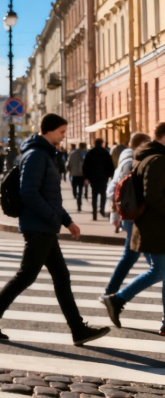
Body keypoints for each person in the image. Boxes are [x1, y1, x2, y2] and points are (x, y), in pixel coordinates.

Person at [0, 114, 109, 346]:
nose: (63, 136)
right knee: (27, 275)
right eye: (61, 132)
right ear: (48, 131)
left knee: (60, 276)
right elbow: (29, 193)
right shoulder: (37, 155)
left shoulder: (43, 153)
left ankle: (78, 329)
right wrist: (53, 218)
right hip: (38, 226)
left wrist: (67, 221)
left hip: (43, 225)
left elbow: (51, 197)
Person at [101, 123, 165, 335]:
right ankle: (117, 299)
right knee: (158, 270)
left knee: (161, 270)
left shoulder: (147, 156)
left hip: (152, 225)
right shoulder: (156, 160)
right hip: (155, 227)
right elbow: (153, 196)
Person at [102, 132, 153, 297]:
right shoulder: (131, 162)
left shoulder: (127, 159)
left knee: (131, 256)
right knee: (152, 260)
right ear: (142, 145)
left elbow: (114, 189)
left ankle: (110, 291)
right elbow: (118, 191)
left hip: (132, 215)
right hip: (135, 215)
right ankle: (114, 295)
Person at [83, 138, 115, 221]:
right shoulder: (105, 152)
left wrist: (86, 176)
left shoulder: (90, 153)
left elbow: (86, 165)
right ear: (102, 143)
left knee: (94, 195)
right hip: (103, 177)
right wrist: (110, 175)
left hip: (93, 177)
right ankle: (102, 210)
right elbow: (110, 165)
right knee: (103, 194)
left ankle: (94, 213)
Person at [67, 142, 87, 211]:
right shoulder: (85, 153)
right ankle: (79, 201)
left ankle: (76, 196)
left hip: (74, 174)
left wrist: (69, 169)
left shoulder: (73, 153)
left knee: (74, 187)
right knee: (80, 189)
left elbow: (69, 162)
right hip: (82, 174)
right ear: (84, 146)